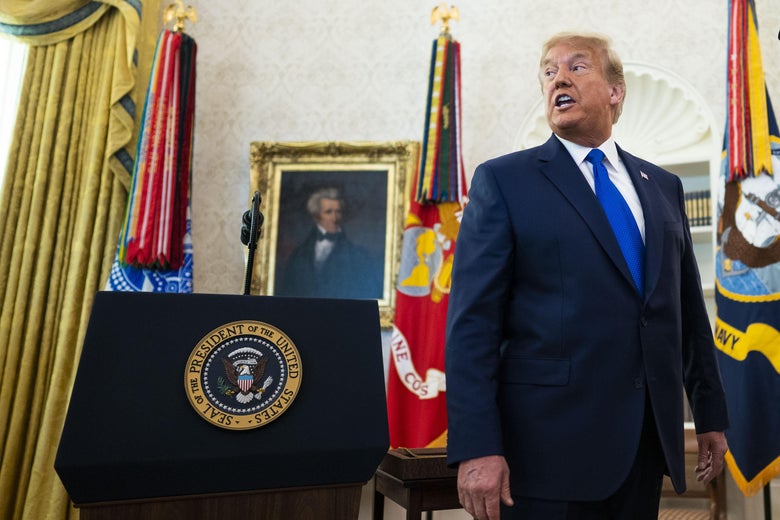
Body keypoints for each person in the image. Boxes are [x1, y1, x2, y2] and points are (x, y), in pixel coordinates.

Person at [445, 32, 729, 520]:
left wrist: (710, 415)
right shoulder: (504, 181)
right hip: (545, 451)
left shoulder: (663, 186)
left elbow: (686, 314)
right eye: (549, 70)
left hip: (644, 446)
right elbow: (472, 325)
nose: (558, 77)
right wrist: (476, 446)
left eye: (577, 67)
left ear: (615, 91)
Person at [275, 187, 382, 299]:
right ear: (316, 216)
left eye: (338, 212)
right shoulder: (299, 255)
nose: (334, 218)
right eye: (328, 212)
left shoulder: (357, 255)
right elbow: (288, 291)